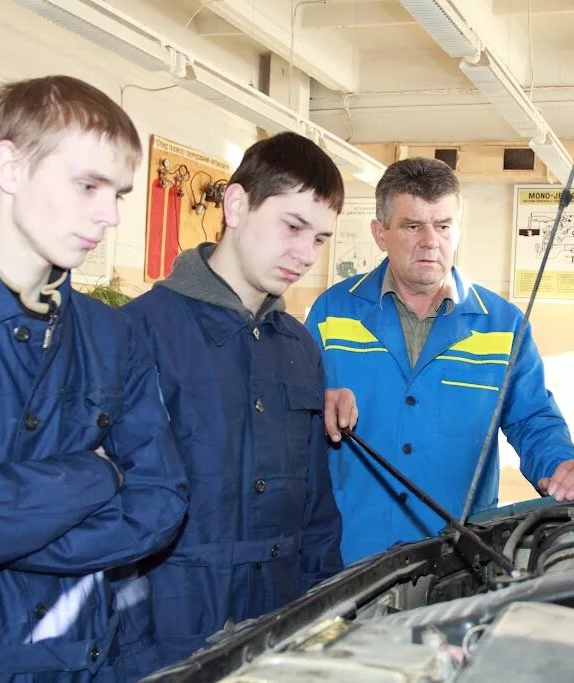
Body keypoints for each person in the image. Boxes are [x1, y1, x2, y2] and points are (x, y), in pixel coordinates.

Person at [0, 75, 188, 682]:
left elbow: (162, 502)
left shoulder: (112, 334)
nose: (111, 215)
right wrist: (101, 471)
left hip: (83, 661)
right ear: (10, 166)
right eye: (89, 185)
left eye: (118, 193)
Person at [306, 157, 574, 565]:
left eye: (443, 226)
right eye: (412, 226)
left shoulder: (503, 325)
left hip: (457, 562)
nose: (430, 241)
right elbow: (296, 414)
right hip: (347, 556)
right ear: (380, 233)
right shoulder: (331, 312)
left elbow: (533, 420)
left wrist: (561, 464)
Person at [123, 132, 343, 668]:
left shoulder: (300, 347)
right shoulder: (138, 332)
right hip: (169, 638)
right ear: (237, 204)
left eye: (319, 239)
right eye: (292, 227)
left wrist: (330, 621)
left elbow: (315, 512)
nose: (304, 255)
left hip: (281, 631)